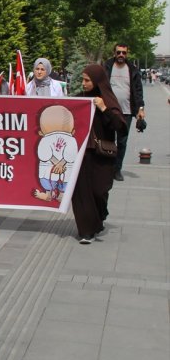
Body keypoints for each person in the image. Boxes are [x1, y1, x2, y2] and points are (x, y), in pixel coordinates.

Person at [72, 65, 127, 244]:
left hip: (102, 155)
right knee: (82, 193)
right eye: (83, 79)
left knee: (99, 190)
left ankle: (100, 216)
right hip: (82, 153)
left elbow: (120, 126)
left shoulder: (107, 100)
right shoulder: (79, 99)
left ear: (97, 81)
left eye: (87, 80)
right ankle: (86, 231)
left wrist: (104, 109)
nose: (84, 83)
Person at [102, 44, 145, 181]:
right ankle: (106, 168)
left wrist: (141, 109)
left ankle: (117, 169)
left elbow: (138, 91)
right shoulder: (107, 67)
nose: (121, 55)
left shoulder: (132, 70)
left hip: (126, 112)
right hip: (108, 111)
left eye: (124, 53)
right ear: (114, 53)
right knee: (107, 140)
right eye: (119, 52)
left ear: (127, 54)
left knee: (122, 142)